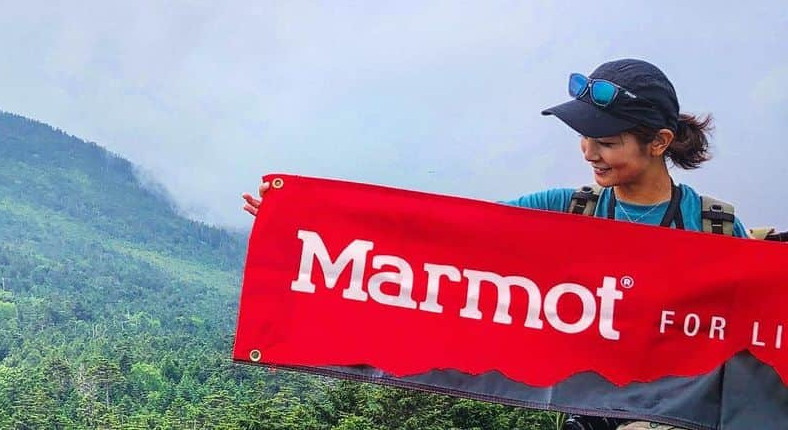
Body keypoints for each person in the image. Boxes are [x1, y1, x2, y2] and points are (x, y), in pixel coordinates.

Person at [240, 58, 749, 430]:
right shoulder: (564, 210)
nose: (589, 152)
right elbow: (448, 237)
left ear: (659, 142)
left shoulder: (716, 229)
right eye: (585, 137)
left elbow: (761, 334)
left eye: (608, 142)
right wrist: (305, 221)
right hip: (589, 413)